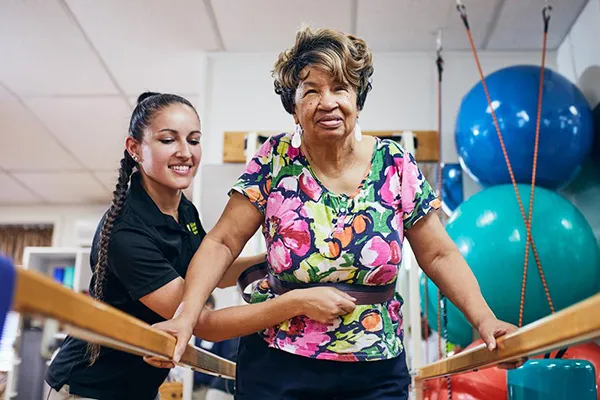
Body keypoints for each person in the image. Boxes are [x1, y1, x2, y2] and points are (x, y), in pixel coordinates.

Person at [152, 27, 519, 399]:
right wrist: (186, 316)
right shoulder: (274, 160)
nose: (328, 102)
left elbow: (439, 254)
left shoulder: (394, 164)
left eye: (340, 88)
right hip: (278, 365)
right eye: (311, 91)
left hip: (375, 368)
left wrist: (484, 320)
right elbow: (222, 241)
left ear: (357, 101)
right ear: (293, 108)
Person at [44, 92, 357, 400]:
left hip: (139, 387)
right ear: (135, 149)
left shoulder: (184, 211)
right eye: (168, 140)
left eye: (193, 140)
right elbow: (201, 322)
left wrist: (286, 260)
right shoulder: (126, 230)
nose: (185, 152)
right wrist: (298, 302)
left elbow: (211, 274)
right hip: (89, 386)